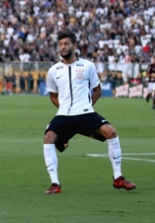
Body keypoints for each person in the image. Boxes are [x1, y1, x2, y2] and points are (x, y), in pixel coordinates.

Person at [42, 30, 136, 194]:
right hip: (64, 114)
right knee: (48, 137)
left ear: (74, 46)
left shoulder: (87, 66)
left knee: (111, 132)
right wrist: (64, 107)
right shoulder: (53, 70)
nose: (62, 48)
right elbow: (53, 95)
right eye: (60, 44)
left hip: (86, 113)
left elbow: (97, 90)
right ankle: (55, 184)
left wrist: (87, 105)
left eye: (66, 44)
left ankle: (118, 178)